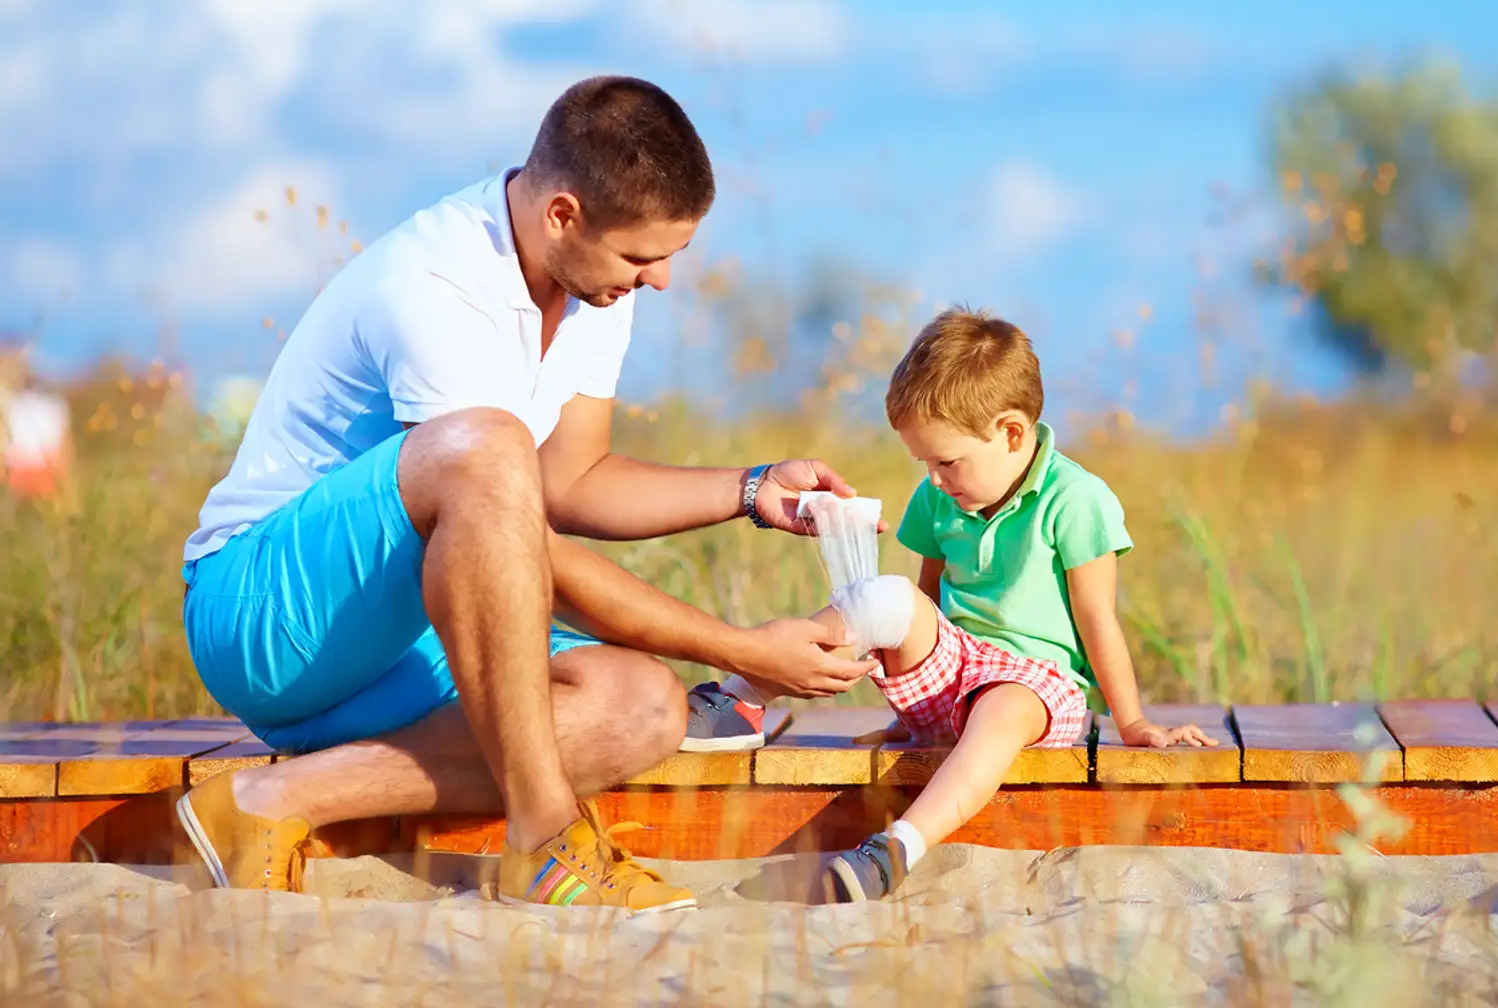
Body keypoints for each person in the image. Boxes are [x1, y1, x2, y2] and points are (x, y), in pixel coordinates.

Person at [172, 75, 880, 913]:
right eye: (641, 258)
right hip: (265, 620)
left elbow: (571, 482)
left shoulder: (592, 284)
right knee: (488, 447)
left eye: (671, 255)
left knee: (643, 707)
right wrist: (739, 651)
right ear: (562, 215)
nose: (659, 280)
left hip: (400, 640)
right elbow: (511, 533)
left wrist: (752, 490)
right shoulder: (436, 285)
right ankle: (545, 841)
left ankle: (268, 803)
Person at [682, 306, 1217, 902]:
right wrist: (908, 703)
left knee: (1002, 707)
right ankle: (742, 697)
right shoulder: (940, 496)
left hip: (1038, 688)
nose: (935, 479)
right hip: (954, 667)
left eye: (946, 461)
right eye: (925, 463)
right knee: (884, 594)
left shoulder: (1077, 499)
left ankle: (895, 849)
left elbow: (1097, 617)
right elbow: (924, 601)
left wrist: (1132, 722)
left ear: (1011, 433)